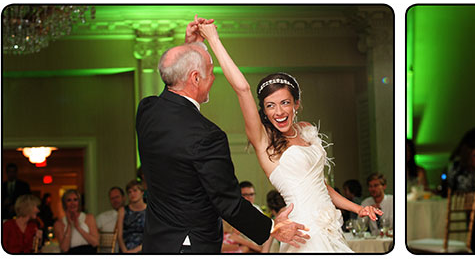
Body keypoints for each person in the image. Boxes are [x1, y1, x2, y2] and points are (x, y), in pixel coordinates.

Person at [196, 17, 380, 253]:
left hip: (331, 229)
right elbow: (241, 89)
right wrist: (213, 39)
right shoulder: (264, 141)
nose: (279, 111)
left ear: (296, 104)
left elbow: (322, 187)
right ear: (264, 110)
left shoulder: (306, 131)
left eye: (285, 103)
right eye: (270, 105)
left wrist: (357, 209)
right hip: (302, 233)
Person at [135, 22, 309, 253]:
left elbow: (174, 89)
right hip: (189, 247)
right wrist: (272, 227)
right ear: (195, 78)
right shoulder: (208, 136)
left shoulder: (146, 110)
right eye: (210, 71)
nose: (214, 78)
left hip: (156, 242)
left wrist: (192, 46)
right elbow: (228, 202)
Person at [54, 189, 99, 253]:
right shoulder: (58, 224)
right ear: (64, 203)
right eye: (69, 200)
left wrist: (78, 227)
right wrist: (69, 226)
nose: (72, 203)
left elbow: (95, 243)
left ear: (79, 202)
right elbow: (64, 249)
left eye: (75, 200)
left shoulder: (89, 217)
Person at [115, 179, 147, 254]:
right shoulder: (122, 210)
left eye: (135, 191)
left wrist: (136, 251)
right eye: (129, 192)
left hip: (143, 248)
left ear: (142, 192)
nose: (132, 194)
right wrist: (125, 251)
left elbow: (152, 235)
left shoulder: (149, 211)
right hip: (125, 248)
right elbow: (119, 236)